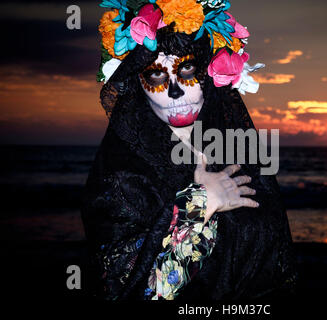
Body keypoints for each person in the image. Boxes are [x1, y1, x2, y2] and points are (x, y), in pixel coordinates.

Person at [81, 0, 298, 301]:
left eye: (187, 68)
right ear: (137, 84)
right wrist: (200, 205)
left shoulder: (238, 155)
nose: (174, 90)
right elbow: (128, 293)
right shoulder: (122, 179)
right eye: (156, 75)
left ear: (209, 74)